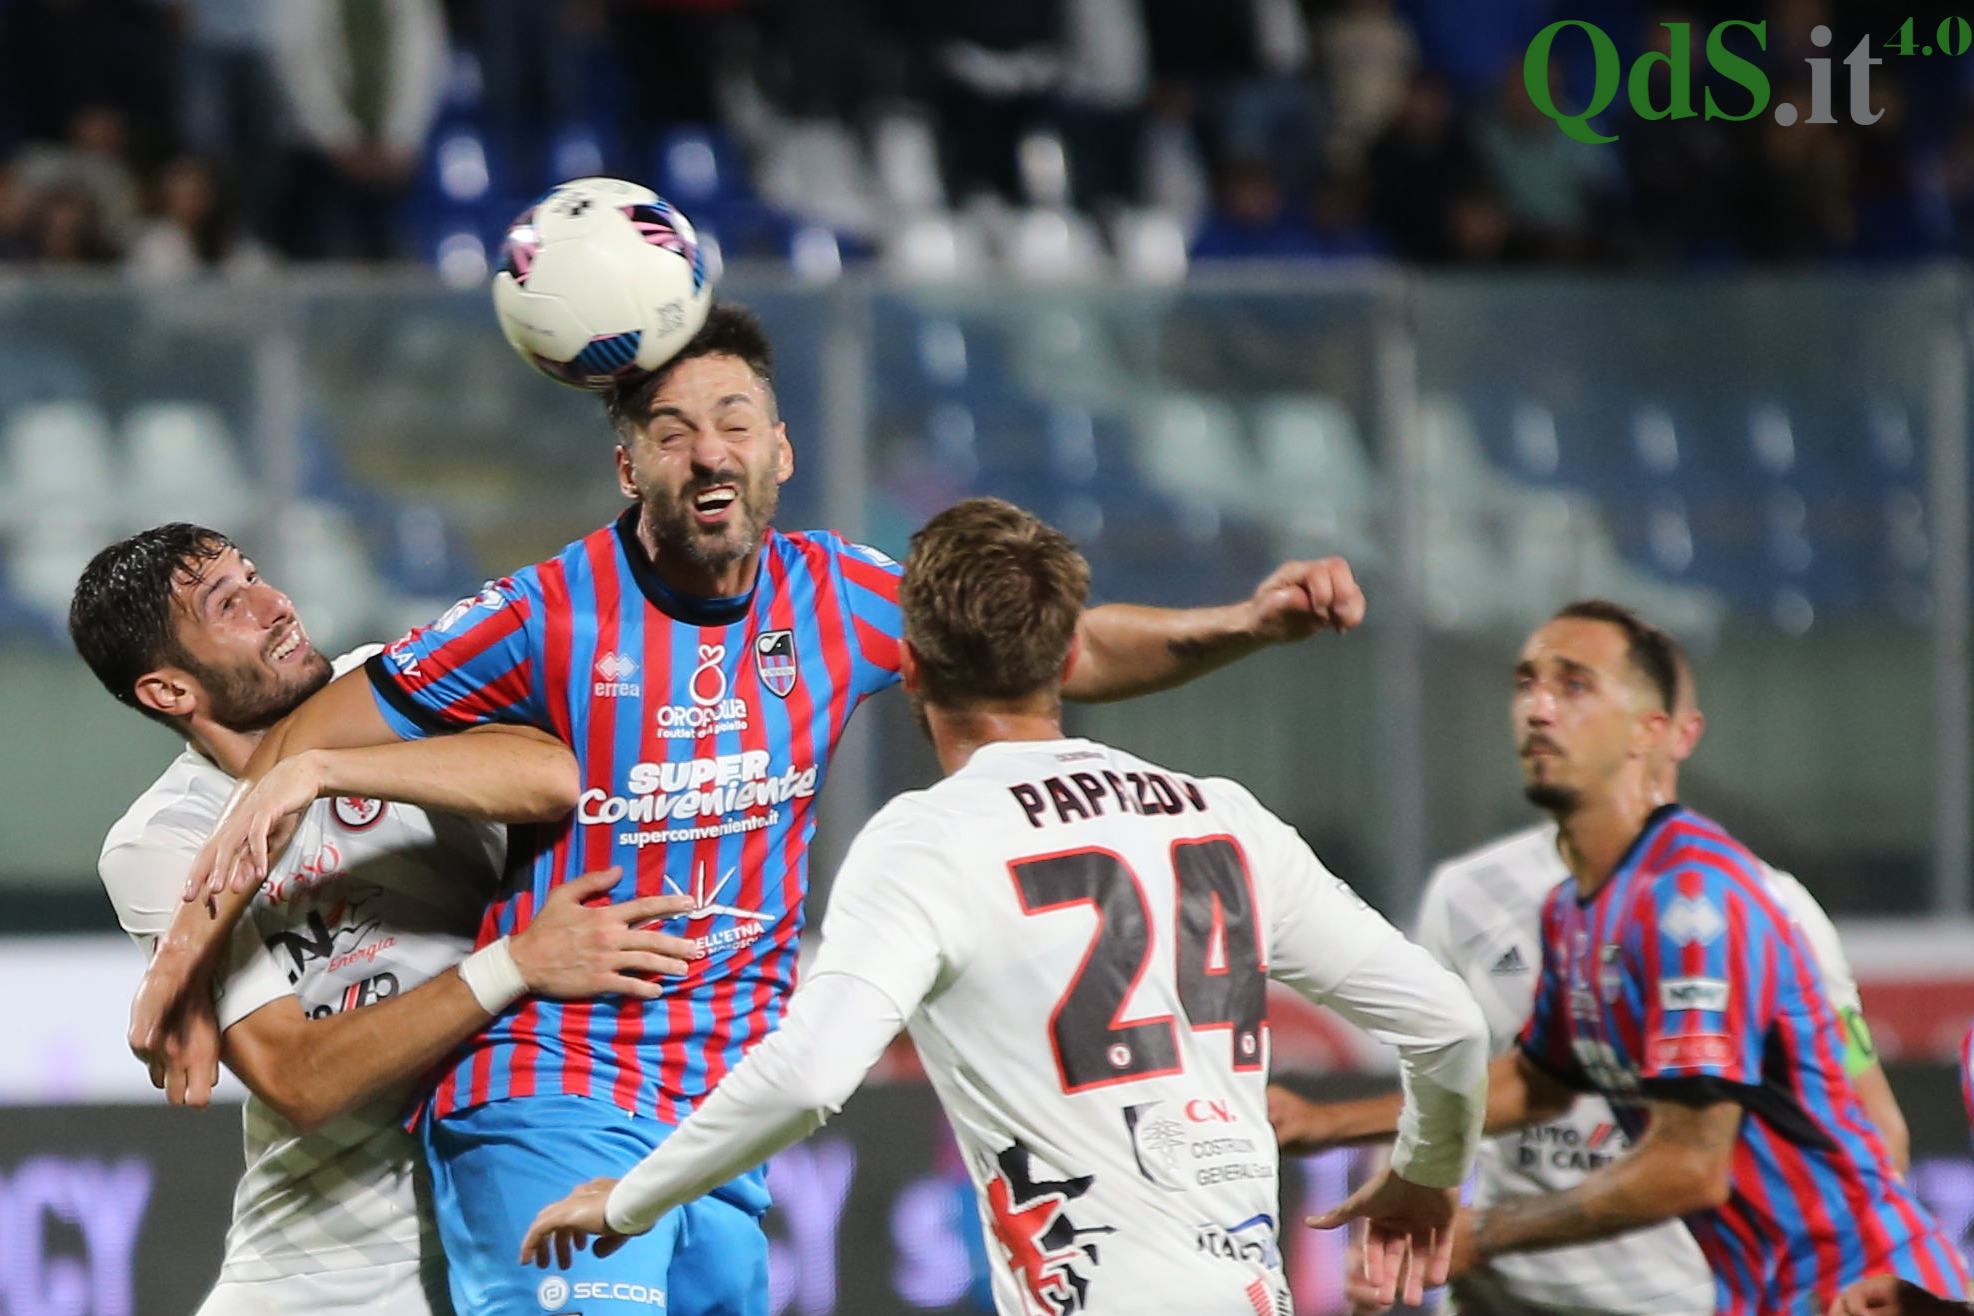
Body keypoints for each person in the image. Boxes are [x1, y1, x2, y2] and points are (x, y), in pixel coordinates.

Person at [132, 304, 1373, 1316]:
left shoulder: (837, 592)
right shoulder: (540, 611)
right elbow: (284, 749)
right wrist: (194, 941)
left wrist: (1247, 623)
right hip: (556, 1087)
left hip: (721, 1120)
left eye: (735, 422)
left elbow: (1056, 647)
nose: (708, 452)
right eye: (671, 432)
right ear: (629, 466)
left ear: (784, 448)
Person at [517, 495, 1489, 1313]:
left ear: (909, 663)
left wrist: (627, 1201)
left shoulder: (928, 840)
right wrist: (1426, 1169)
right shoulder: (1221, 815)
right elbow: (1448, 1023)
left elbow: (810, 1074)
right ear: (1071, 655)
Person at [1259, 600, 1966, 1316]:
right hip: (1765, 1294)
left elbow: (1690, 1167)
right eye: (1526, 683)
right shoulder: (1577, 907)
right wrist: (1327, 1125)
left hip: (1868, 1292)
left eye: (1574, 686)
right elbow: (1540, 1082)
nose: (1538, 708)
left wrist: (1482, 1233)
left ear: (1652, 731)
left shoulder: (1695, 901)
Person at [70, 523, 700, 1315]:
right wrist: (515, 964)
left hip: (526, 1216)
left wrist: (320, 770)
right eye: (229, 602)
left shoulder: (385, 683)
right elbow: (298, 1077)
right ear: (169, 692)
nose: (276, 604)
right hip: (327, 1274)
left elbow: (553, 775)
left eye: (257, 575)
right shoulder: (164, 839)